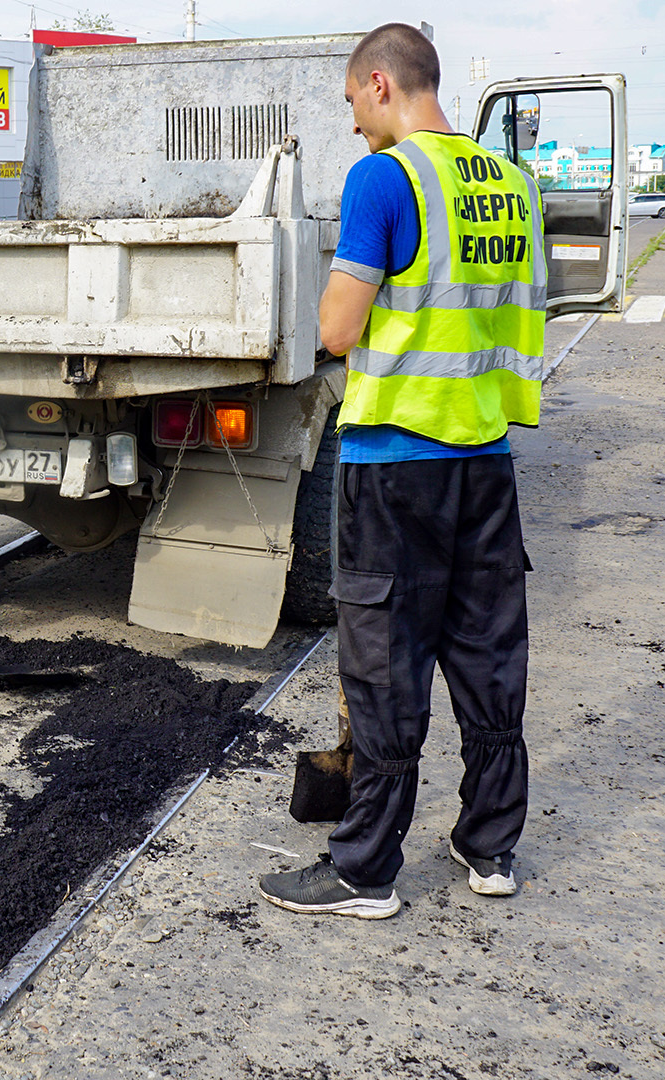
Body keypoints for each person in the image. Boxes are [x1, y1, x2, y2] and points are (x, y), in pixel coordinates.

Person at [258, 23, 544, 920]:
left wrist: (304, 316)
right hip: (486, 458)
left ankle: (364, 870)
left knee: (384, 665)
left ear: (380, 85)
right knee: (489, 653)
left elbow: (339, 329)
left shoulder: (385, 177)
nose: (352, 126)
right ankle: (490, 844)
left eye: (351, 104)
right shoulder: (512, 183)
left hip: (395, 466)